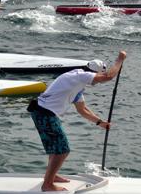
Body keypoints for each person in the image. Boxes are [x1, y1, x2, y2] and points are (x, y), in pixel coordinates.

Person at [28, 50, 127, 192]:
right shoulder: (80, 75)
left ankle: (51, 176)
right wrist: (120, 60)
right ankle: (47, 185)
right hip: (44, 113)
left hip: (42, 112)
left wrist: (101, 123)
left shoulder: (77, 86)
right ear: (93, 72)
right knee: (62, 151)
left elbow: (83, 110)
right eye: (97, 76)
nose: (97, 81)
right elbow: (108, 76)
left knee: (56, 149)